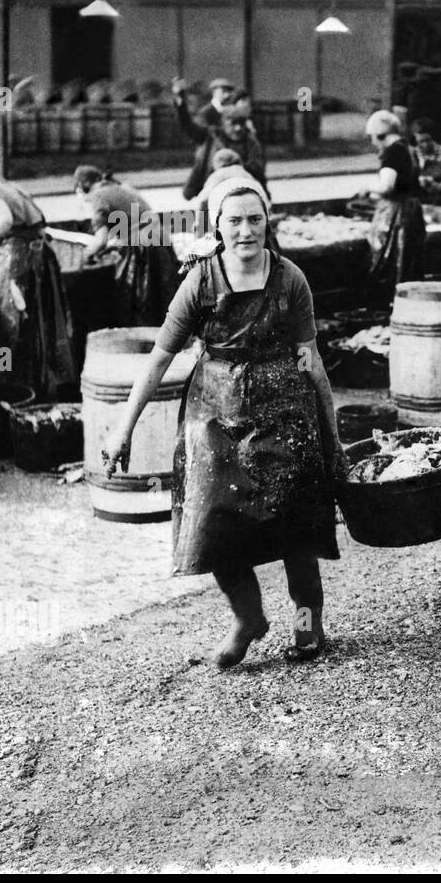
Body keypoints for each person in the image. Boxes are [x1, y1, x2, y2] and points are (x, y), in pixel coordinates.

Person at [99, 175, 342, 668]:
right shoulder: (199, 281)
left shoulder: (291, 278)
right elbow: (159, 358)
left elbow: (310, 359)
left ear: (267, 222)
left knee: (296, 525)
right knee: (214, 522)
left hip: (284, 412)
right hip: (215, 414)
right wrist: (124, 427)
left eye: (255, 219)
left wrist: (332, 437)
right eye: (234, 221)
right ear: (217, 225)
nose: (246, 230)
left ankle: (306, 625)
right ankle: (248, 619)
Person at [0, 151, 77, 399]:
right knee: (39, 325)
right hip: (40, 258)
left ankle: (11, 383)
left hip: (18, 263)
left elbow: (3, 221)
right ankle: (41, 384)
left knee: (9, 325)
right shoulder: (8, 185)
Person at [73, 165, 180, 327]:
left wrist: (81, 258)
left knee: (139, 302)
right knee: (161, 300)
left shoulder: (98, 196)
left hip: (143, 248)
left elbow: (100, 240)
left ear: (83, 185)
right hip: (161, 240)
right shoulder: (124, 187)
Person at [365, 109, 425, 306]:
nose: (373, 142)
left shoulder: (393, 152)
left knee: (391, 263)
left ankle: (389, 306)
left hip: (398, 214)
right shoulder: (408, 148)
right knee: (409, 263)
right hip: (412, 211)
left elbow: (387, 186)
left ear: (380, 134)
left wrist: (367, 189)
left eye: (372, 137)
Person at [180, 99, 266, 202]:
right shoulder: (211, 135)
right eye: (233, 124)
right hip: (209, 186)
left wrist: (232, 167)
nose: (238, 128)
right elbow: (188, 127)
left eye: (242, 124)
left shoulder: (251, 142)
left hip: (239, 191)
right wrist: (181, 105)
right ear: (223, 124)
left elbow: (257, 168)